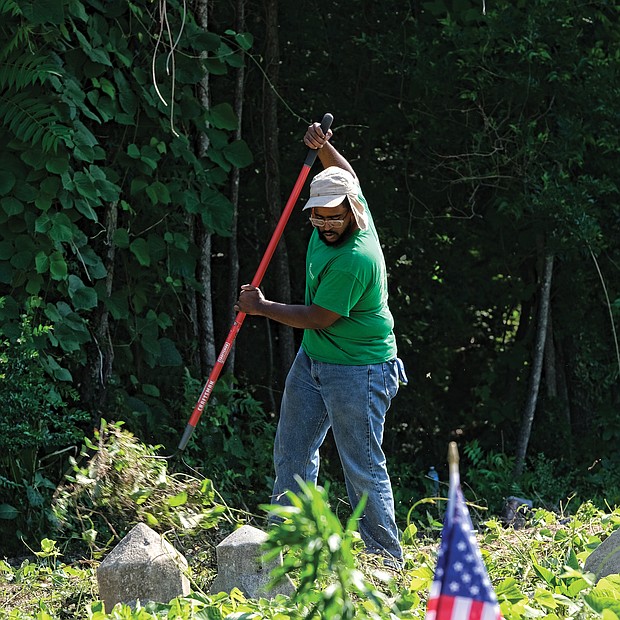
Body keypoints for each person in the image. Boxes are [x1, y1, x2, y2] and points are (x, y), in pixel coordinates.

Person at [235, 121, 405, 565]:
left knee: (361, 467)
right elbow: (347, 173)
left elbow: (318, 318)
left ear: (353, 212)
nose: (327, 224)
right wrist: (324, 148)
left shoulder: (354, 258)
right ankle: (286, 547)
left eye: (335, 215)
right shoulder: (341, 207)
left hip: (360, 371)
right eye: (319, 215)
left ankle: (387, 561)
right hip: (315, 360)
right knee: (291, 450)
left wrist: (261, 306)